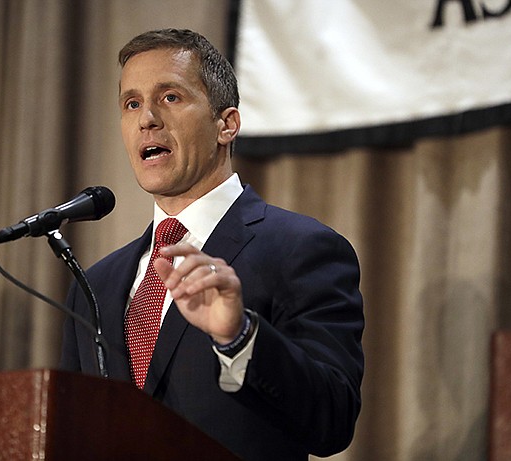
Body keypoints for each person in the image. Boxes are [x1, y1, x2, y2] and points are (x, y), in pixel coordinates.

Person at [60, 28, 364, 461]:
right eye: (132, 103)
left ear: (226, 124)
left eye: (170, 97)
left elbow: (333, 419)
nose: (147, 118)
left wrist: (238, 336)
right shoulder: (95, 284)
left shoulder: (301, 248)